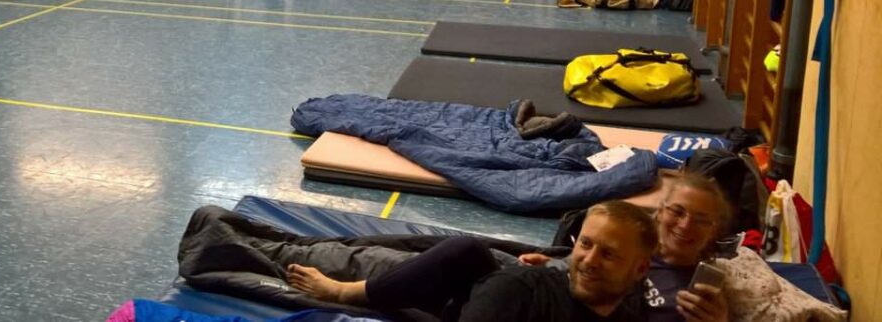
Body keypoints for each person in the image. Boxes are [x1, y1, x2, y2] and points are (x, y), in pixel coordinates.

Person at [286, 199, 657, 321]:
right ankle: (347, 291)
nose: (589, 260)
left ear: (640, 269)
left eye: (608, 254)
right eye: (585, 245)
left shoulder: (632, 311)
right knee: (466, 251)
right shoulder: (518, 288)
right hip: (480, 296)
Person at [521, 172, 732, 322]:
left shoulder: (704, 296)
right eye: (677, 211)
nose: (685, 225)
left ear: (713, 229)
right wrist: (557, 265)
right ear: (660, 211)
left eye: (701, 220)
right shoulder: (628, 244)